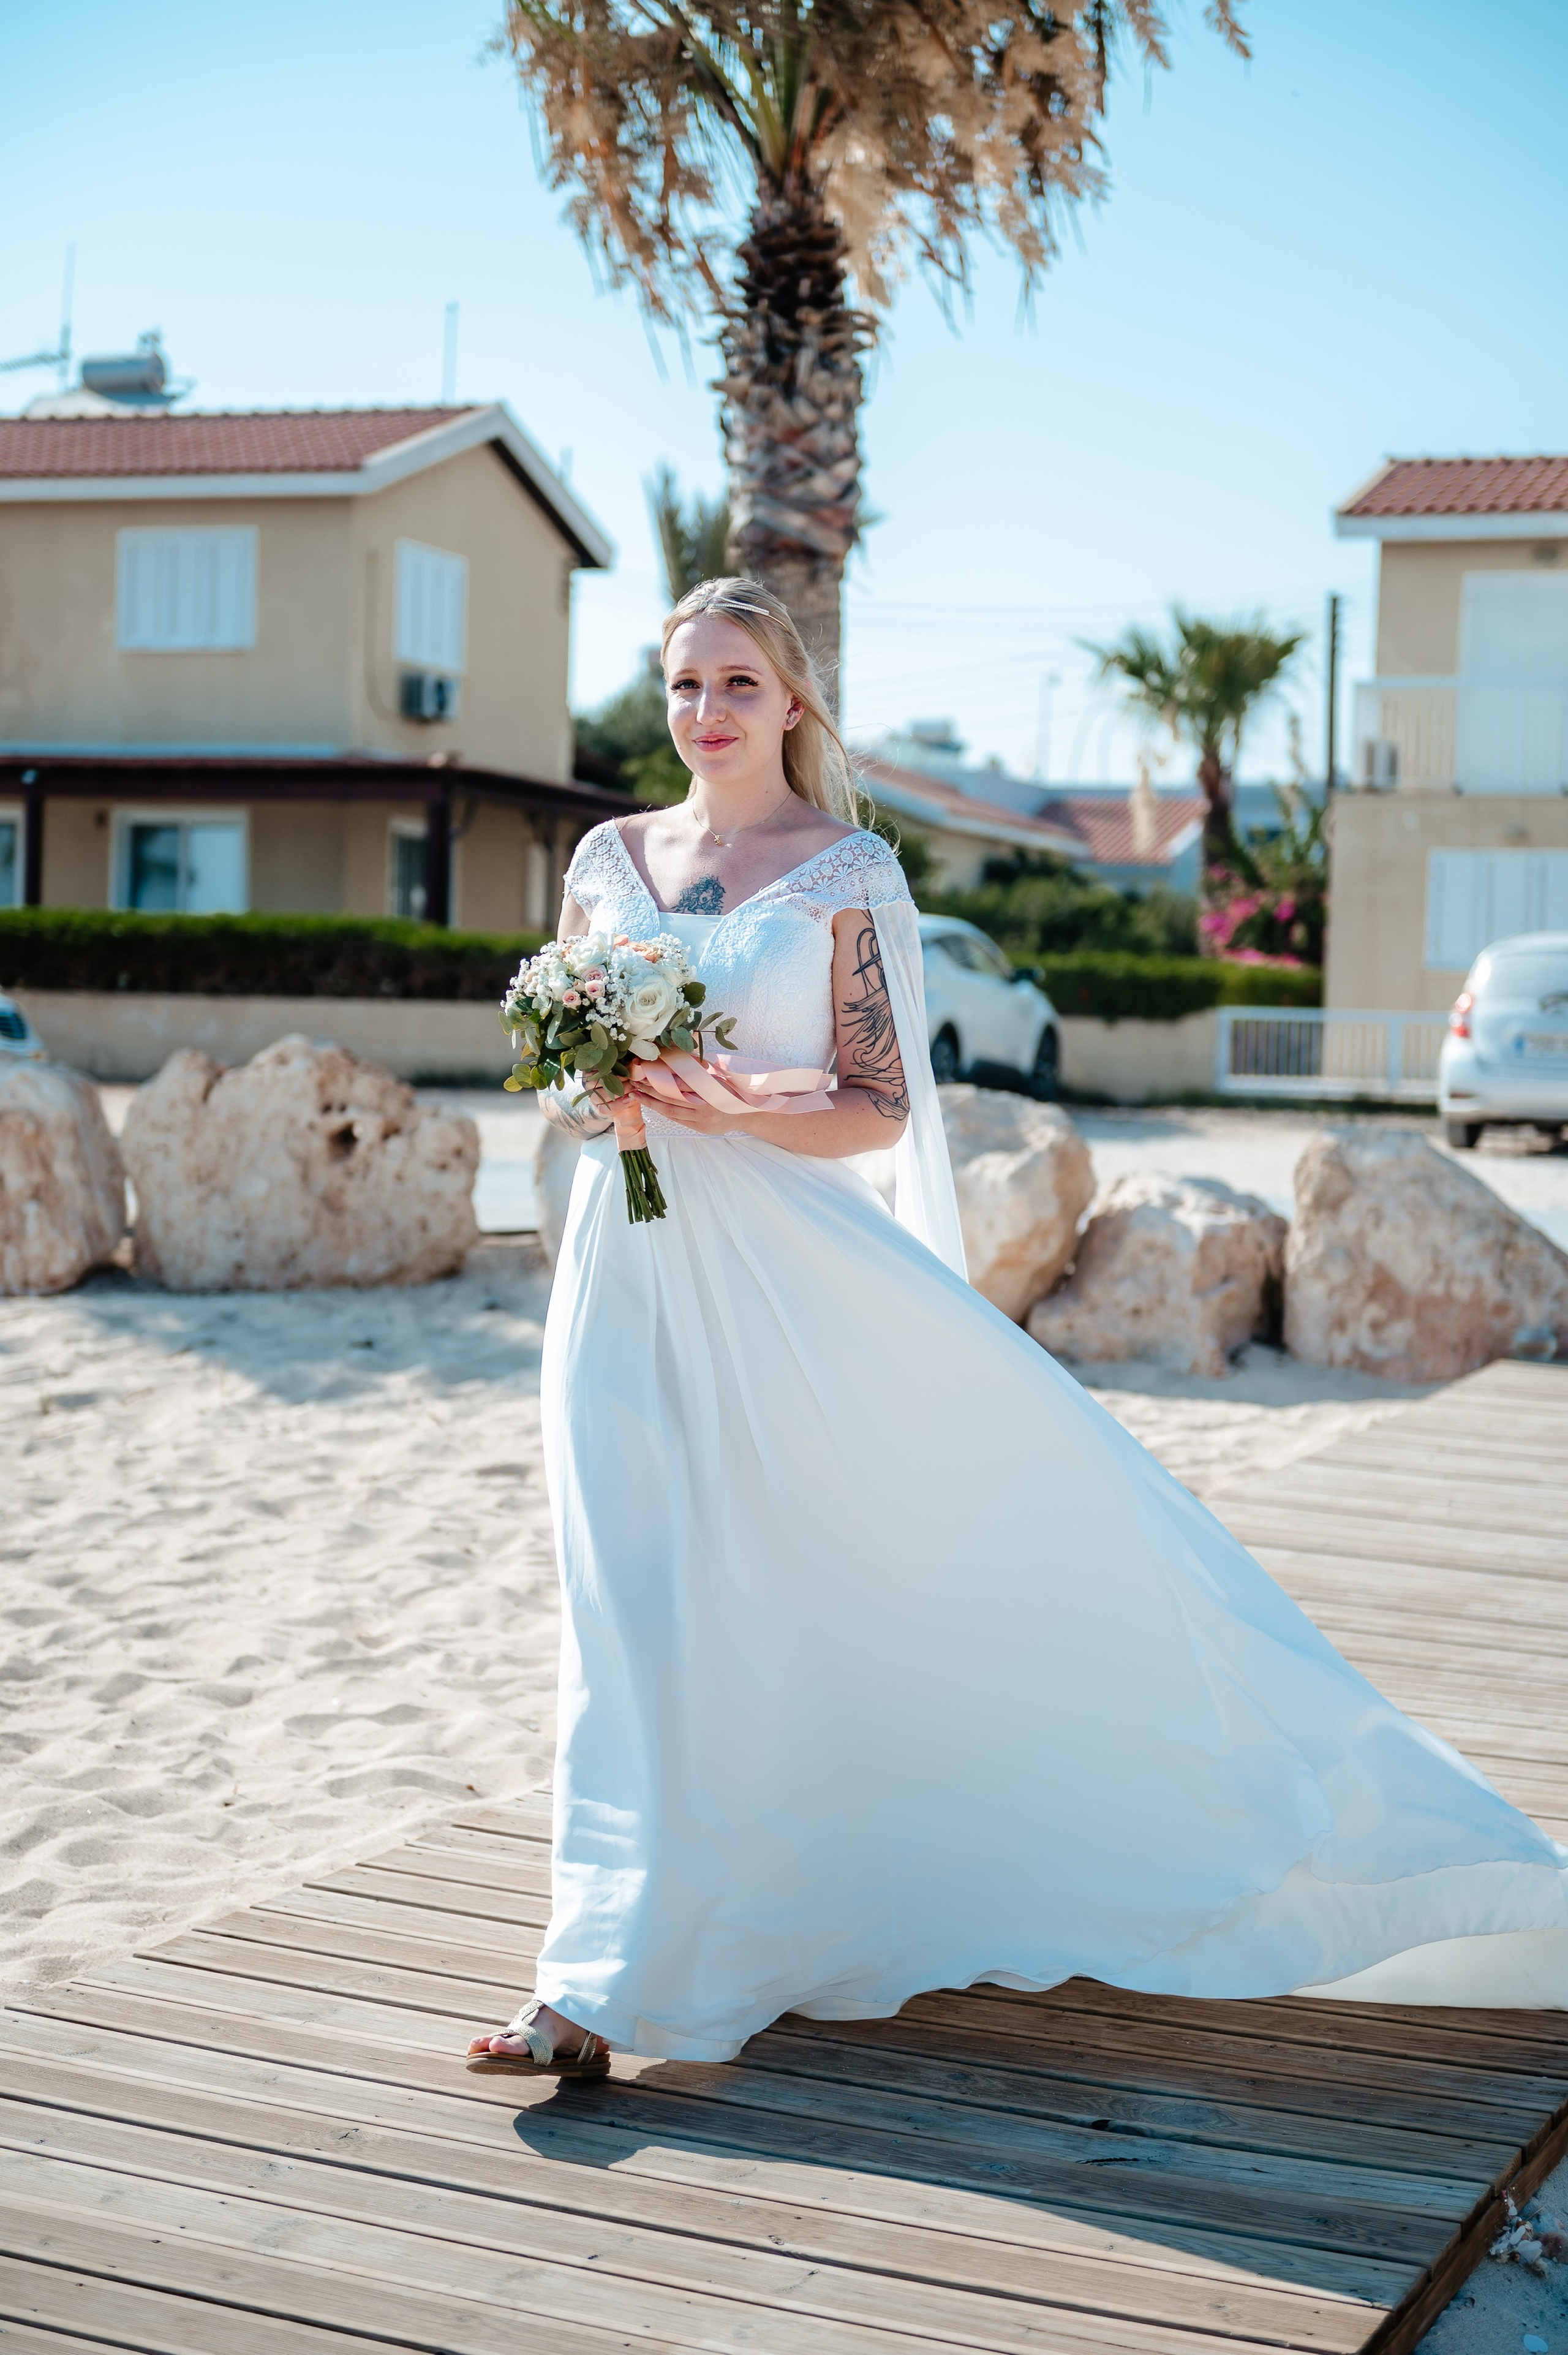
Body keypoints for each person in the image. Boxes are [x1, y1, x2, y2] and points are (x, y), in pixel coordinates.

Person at [469, 578, 1568, 2078]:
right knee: (629, 1595)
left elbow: (872, 1104)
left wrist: (725, 1097)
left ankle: (702, 1934)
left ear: (791, 701)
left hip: (793, 1286)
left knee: (778, 1596)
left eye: (734, 682)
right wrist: (599, 1082)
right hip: (627, 1259)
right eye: (681, 684)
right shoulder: (610, 859)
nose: (704, 712)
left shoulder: (844, 870)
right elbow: (554, 1066)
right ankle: (597, 1966)